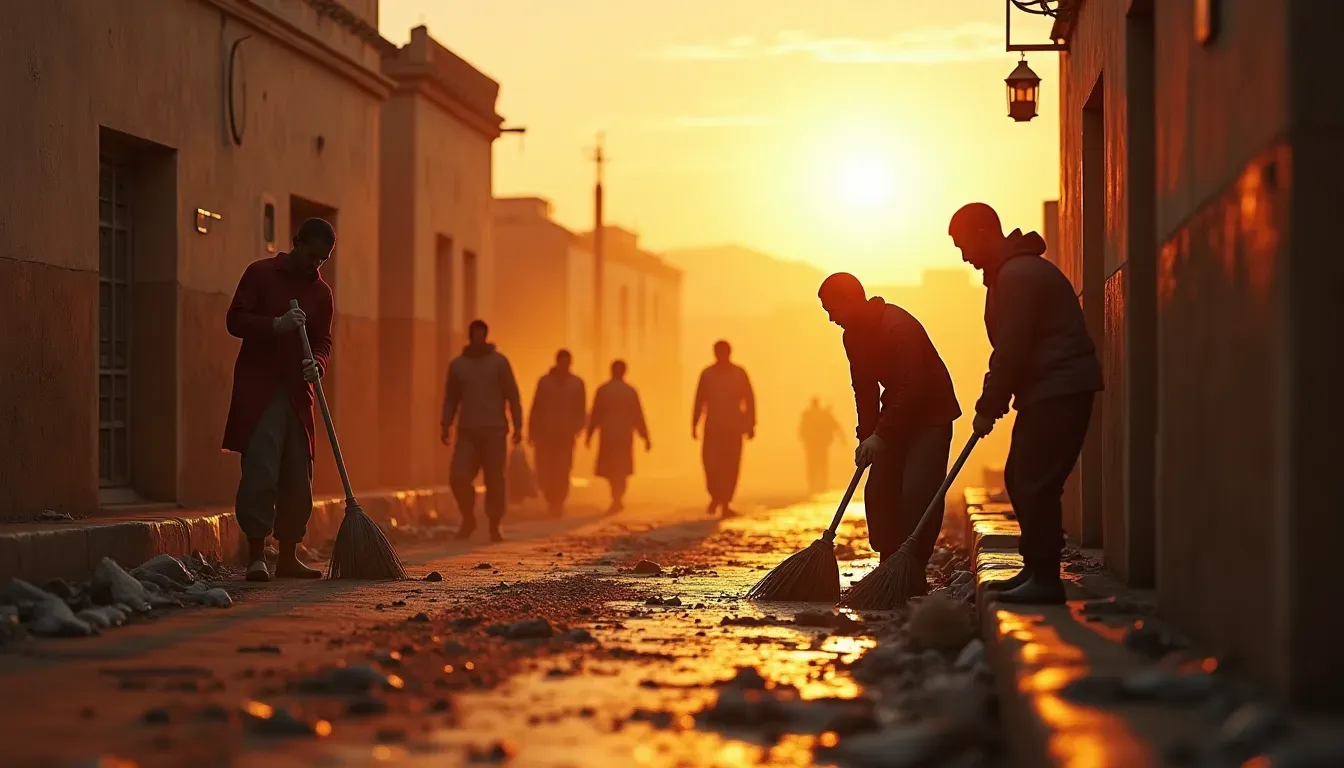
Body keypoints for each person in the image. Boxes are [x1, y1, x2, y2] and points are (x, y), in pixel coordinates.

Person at [949, 202, 1103, 605]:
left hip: (1060, 389)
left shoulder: (1018, 275)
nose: (963, 255)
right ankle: (1035, 570)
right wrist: (994, 399)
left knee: (1035, 480)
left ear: (983, 233)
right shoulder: (1009, 274)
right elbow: (1009, 351)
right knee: (1022, 476)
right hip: (1046, 390)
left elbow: (1013, 349)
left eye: (963, 244)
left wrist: (989, 404)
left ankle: (1045, 579)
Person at [818, 272, 961, 587]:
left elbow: (914, 387)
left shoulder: (899, 327)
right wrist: (867, 436)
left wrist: (881, 435)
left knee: (917, 492)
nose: (830, 318)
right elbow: (864, 389)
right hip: (894, 415)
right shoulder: (852, 336)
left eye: (831, 309)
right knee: (880, 489)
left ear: (851, 300)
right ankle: (888, 564)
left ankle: (912, 569)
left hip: (930, 416)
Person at [223, 217, 335, 582]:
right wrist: (275, 325)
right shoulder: (259, 274)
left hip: (298, 397)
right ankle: (257, 554)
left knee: (297, 476)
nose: (314, 265)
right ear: (296, 242)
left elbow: (323, 341)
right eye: (312, 256)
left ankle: (288, 555)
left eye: (323, 260)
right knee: (261, 470)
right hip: (260, 391)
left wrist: (317, 364)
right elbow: (235, 320)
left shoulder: (321, 294)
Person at [441, 319, 523, 542]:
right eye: (474, 335)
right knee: (458, 477)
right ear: (470, 336)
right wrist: (445, 424)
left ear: (485, 336)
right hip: (468, 431)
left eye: (481, 335)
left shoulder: (499, 362)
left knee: (495, 479)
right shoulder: (458, 365)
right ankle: (468, 517)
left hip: (495, 430)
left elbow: (512, 394)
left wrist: (518, 425)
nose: (478, 339)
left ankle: (495, 524)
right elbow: (451, 398)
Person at [692, 341, 756, 516]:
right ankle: (715, 496)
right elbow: (699, 400)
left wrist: (750, 424)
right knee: (711, 463)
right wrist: (694, 423)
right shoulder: (708, 374)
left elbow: (749, 400)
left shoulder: (738, 374)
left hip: (733, 426)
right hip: (713, 425)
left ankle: (725, 501)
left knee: (731, 465)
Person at [586, 360, 651, 513]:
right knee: (620, 468)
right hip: (623, 435)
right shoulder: (629, 391)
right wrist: (645, 436)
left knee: (613, 468)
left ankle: (616, 496)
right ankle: (618, 496)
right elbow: (638, 415)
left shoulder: (604, 390)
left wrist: (590, 433)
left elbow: (595, 414)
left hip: (609, 434)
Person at [528, 349, 587, 516]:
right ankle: (550, 499)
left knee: (563, 469)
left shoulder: (576, 383)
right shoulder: (545, 382)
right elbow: (536, 407)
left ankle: (558, 501)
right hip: (546, 433)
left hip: (566, 435)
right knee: (546, 469)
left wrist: (578, 427)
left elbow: (581, 408)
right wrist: (532, 431)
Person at [798, 397, 841, 494]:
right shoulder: (820, 414)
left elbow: (802, 428)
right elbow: (835, 426)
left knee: (815, 464)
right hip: (818, 443)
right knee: (819, 464)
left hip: (816, 443)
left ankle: (817, 485)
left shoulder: (811, 414)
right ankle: (818, 485)